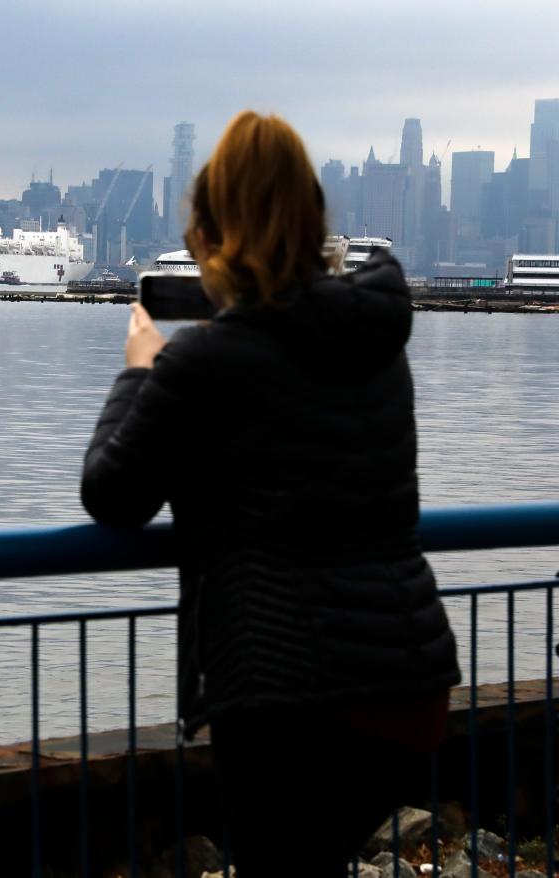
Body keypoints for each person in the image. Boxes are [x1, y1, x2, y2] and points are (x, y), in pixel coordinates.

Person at [81, 112, 461, 876]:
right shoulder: (376, 347)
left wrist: (138, 370)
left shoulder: (205, 362)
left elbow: (113, 493)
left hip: (287, 693)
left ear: (214, 226)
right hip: (408, 681)